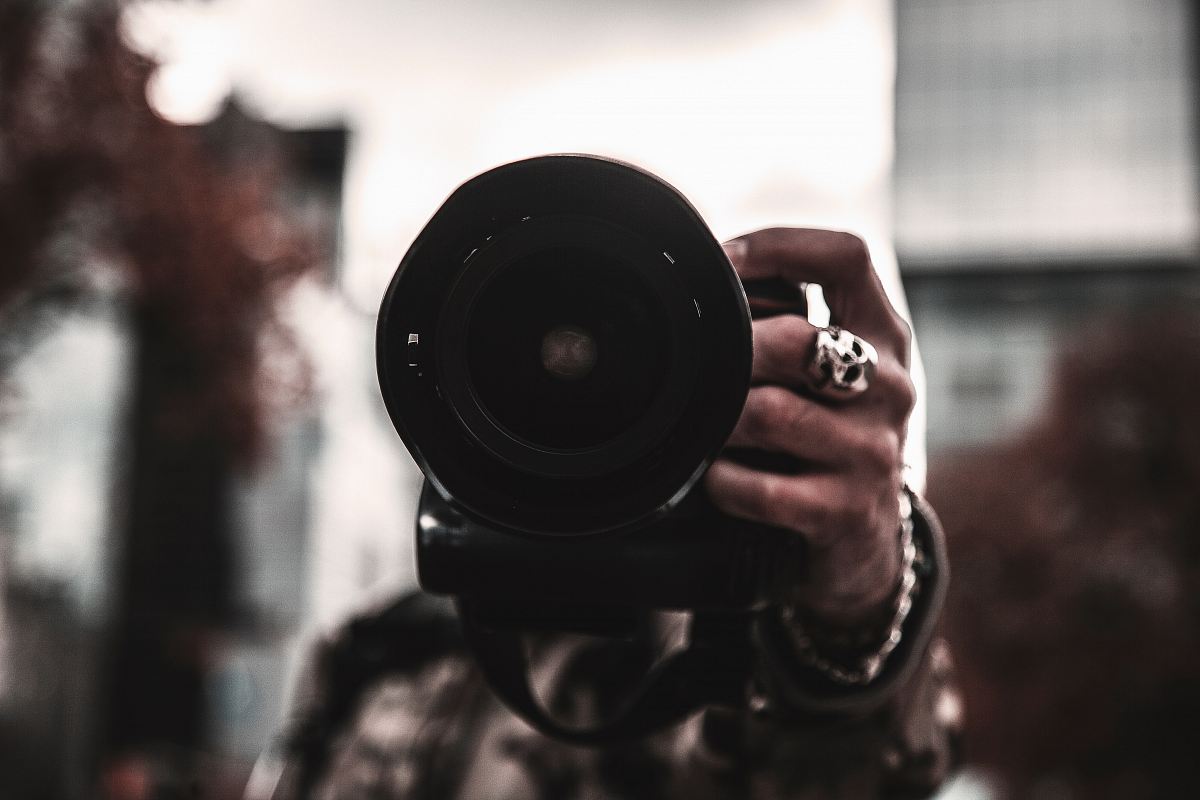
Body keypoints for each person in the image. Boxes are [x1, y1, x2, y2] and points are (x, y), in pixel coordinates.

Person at [251, 228, 960, 800]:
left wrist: (855, 591)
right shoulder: (372, 653)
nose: (572, 365)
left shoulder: (723, 663)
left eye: (626, 341)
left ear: (714, 379)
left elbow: (839, 771)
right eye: (521, 326)